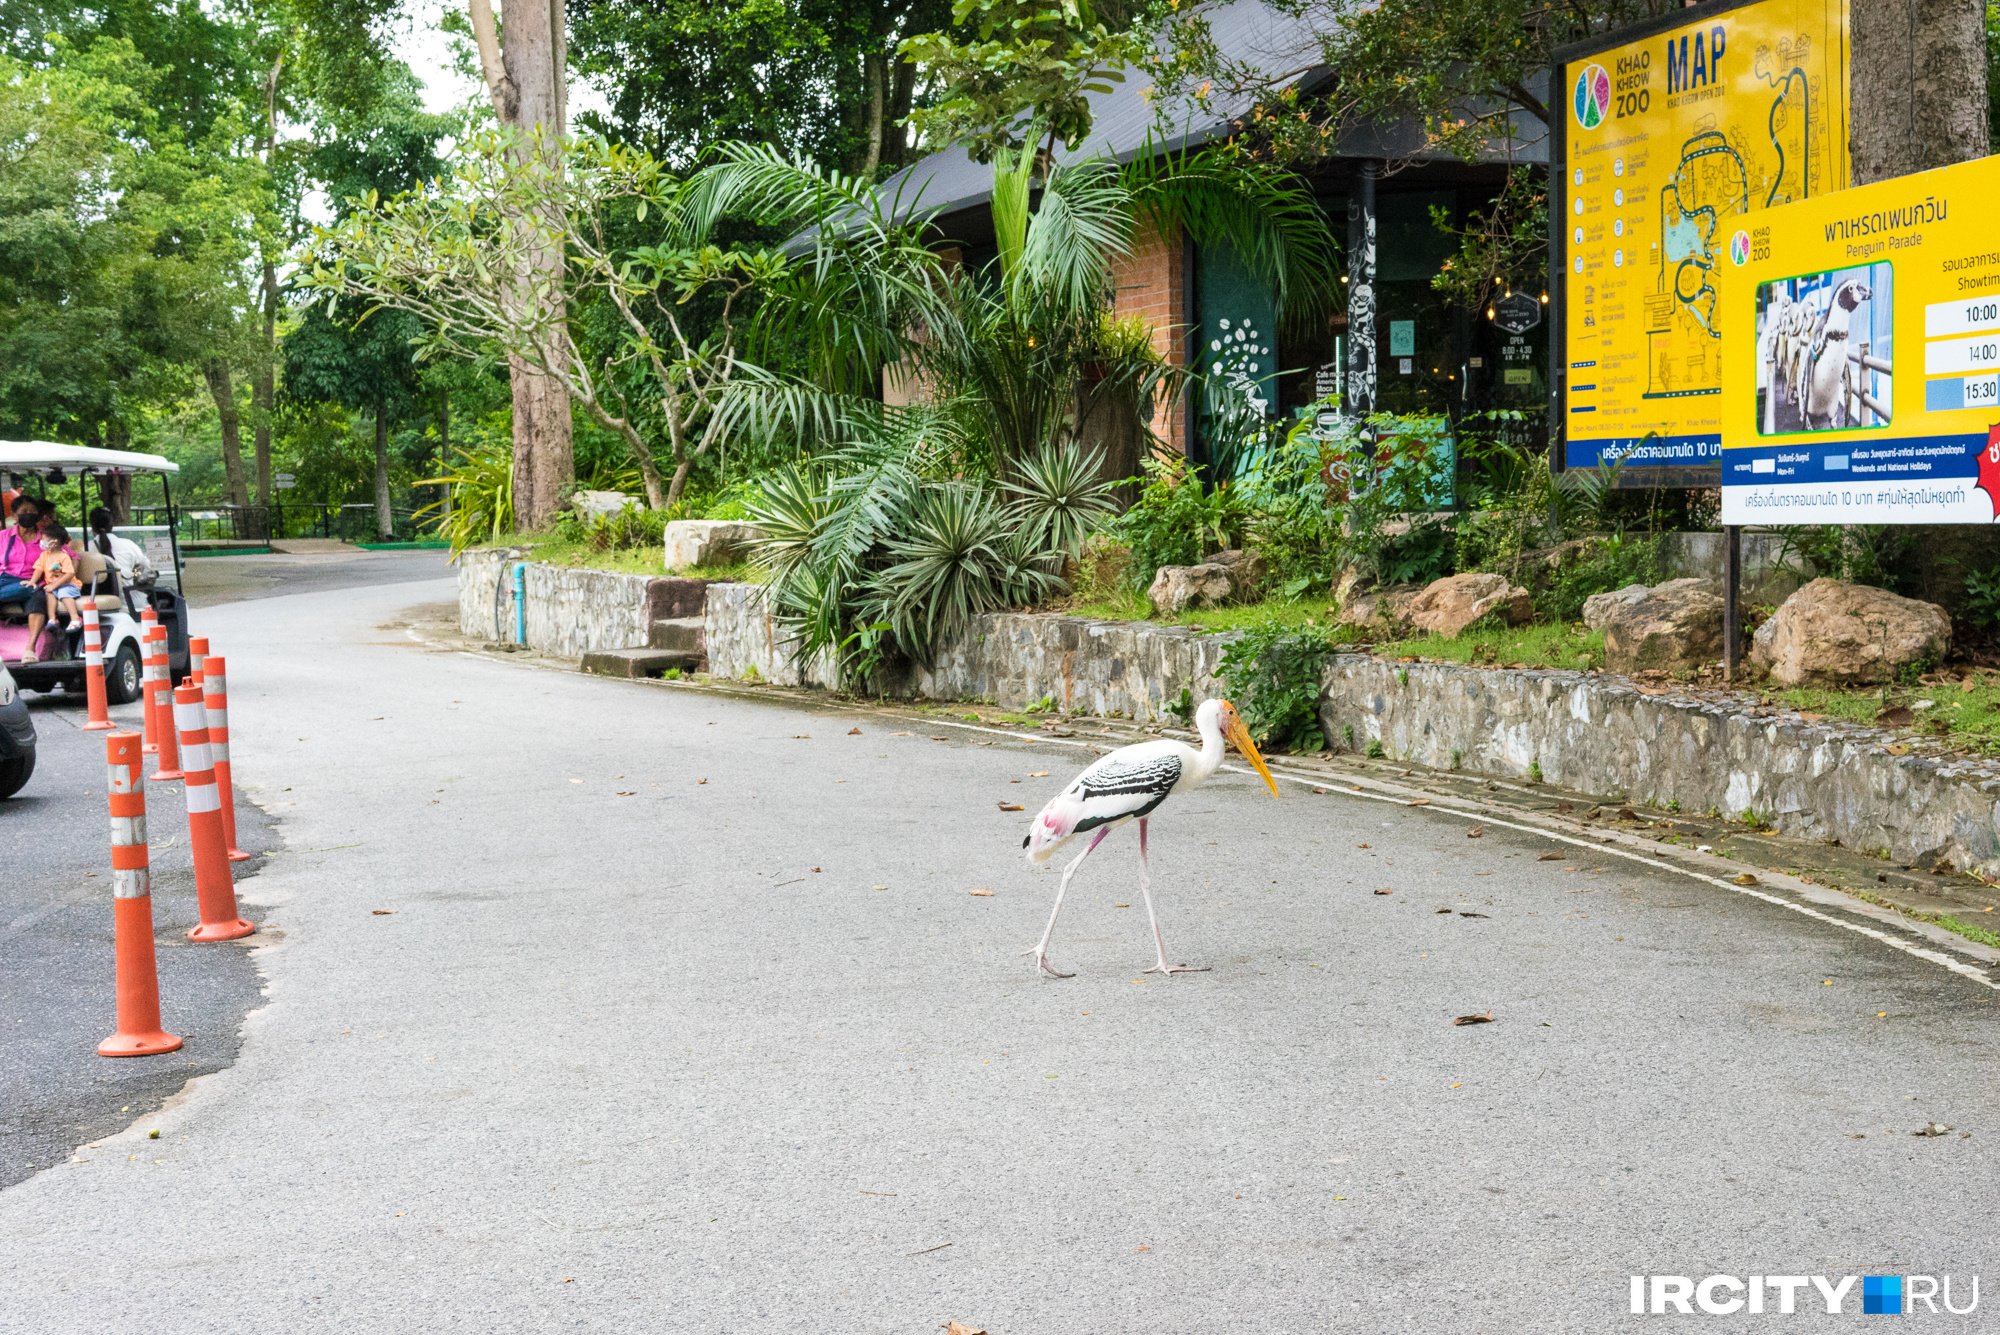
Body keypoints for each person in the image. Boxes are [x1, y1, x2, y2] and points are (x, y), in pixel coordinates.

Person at [20, 520, 81, 663]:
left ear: (54, 542)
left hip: (68, 585)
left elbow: (69, 574)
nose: (41, 542)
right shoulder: (44, 555)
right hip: (53, 586)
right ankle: (52, 619)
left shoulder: (63, 556)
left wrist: (55, 585)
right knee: (49, 595)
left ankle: (75, 619)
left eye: (44, 540)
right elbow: (39, 569)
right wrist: (32, 581)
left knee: (64, 594)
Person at [88, 507, 155, 586]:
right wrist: (132, 575)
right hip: (127, 596)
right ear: (112, 525)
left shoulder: (86, 549)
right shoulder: (129, 545)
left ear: (92, 526)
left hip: (97, 596)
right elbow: (145, 566)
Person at [0, 495, 43, 609]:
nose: (28, 514)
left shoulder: (47, 537)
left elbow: (73, 557)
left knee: (35, 591)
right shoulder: (3, 536)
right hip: (4, 580)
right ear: (14, 515)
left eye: (32, 511)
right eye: (24, 511)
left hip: (30, 581)